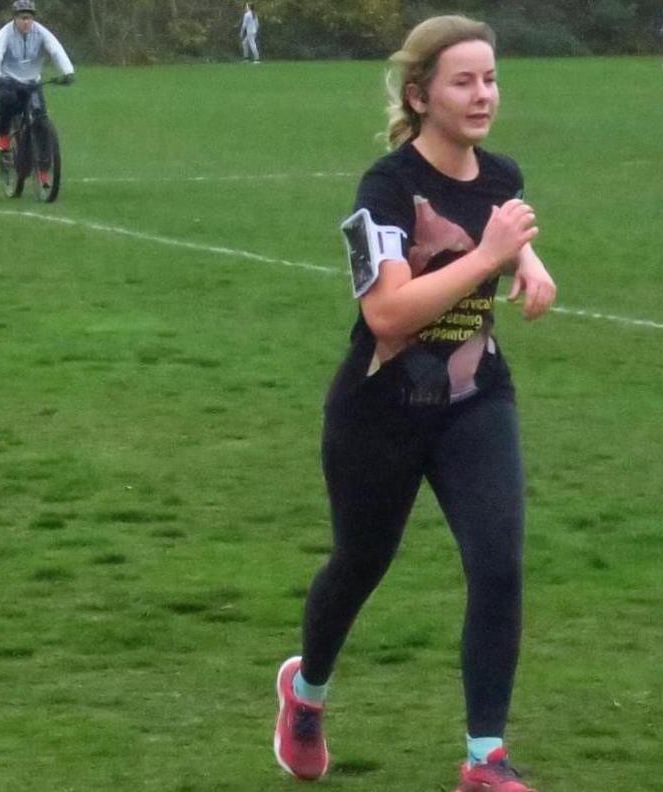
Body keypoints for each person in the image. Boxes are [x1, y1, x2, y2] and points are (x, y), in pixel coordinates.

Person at [273, 14, 556, 792]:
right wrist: (495, 258)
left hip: (473, 396)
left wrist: (529, 264)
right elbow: (388, 315)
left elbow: (500, 221)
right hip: (380, 406)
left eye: (491, 78)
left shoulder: (500, 174)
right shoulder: (387, 187)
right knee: (362, 561)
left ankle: (484, 758)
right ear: (421, 94)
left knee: (498, 564)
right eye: (463, 81)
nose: (483, 94)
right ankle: (306, 693)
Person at [0, 0, 73, 189]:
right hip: (8, 79)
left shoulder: (40, 32)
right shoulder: (5, 35)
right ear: (14, 18)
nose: (26, 22)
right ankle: (3, 140)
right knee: (7, 102)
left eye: (29, 18)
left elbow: (56, 50)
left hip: (33, 80)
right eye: (22, 18)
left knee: (41, 121)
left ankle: (42, 171)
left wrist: (68, 72)